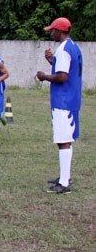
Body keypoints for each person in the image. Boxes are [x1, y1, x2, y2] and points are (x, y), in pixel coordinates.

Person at [36, 17, 82, 194]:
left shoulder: (63, 50)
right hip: (71, 99)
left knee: (63, 141)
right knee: (64, 140)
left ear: (60, 31)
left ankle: (64, 183)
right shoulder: (73, 47)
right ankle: (65, 176)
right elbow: (66, 70)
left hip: (64, 100)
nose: (51, 33)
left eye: (53, 30)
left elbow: (62, 77)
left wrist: (44, 76)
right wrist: (51, 61)